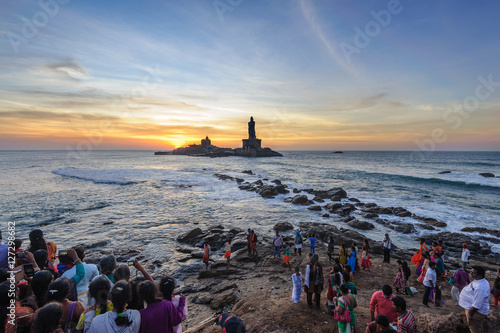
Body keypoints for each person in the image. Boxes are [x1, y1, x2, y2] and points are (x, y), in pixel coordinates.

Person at [459, 266, 490, 333]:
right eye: (471, 272)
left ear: (480, 275)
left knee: (474, 329)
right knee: (475, 328)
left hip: (475, 312)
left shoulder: (481, 287)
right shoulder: (479, 281)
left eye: (474, 273)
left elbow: (478, 304)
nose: (471, 274)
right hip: (471, 308)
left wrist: (470, 313)